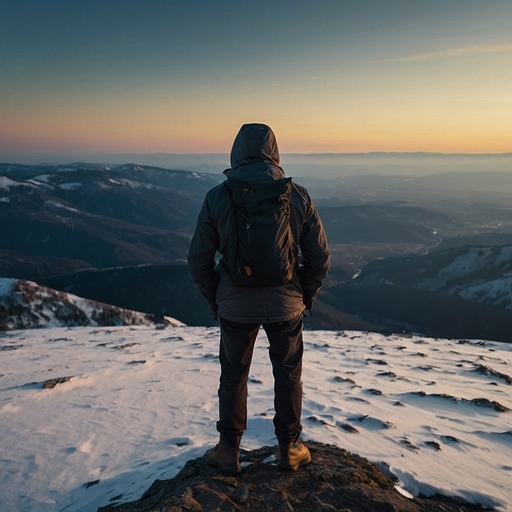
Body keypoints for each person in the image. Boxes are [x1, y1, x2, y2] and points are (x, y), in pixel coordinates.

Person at [188, 123, 330, 474]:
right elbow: (320, 257)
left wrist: (217, 299)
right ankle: (290, 448)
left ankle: (227, 450)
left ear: (236, 153)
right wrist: (303, 294)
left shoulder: (217, 197)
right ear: (274, 153)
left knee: (233, 376)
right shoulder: (296, 195)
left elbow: (198, 260)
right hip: (287, 305)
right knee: (288, 375)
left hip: (235, 307)